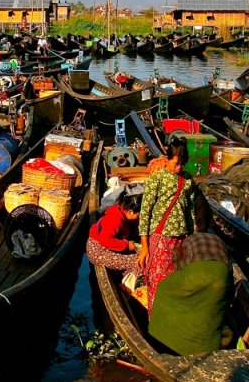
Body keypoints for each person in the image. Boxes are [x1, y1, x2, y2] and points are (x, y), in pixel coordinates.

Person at [136, 137, 198, 317]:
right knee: (157, 280)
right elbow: (145, 212)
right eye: (176, 163)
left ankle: (172, 317)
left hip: (182, 238)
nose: (178, 168)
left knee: (177, 280)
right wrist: (144, 247)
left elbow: (191, 212)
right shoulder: (157, 179)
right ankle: (155, 319)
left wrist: (192, 239)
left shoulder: (188, 180)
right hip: (161, 238)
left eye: (182, 164)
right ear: (167, 158)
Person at [148, 232, 235, 356]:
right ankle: (206, 350)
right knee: (213, 309)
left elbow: (180, 264)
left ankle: (163, 340)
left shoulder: (187, 245)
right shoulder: (218, 242)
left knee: (164, 290)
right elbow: (229, 293)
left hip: (196, 273)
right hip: (222, 274)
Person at [86, 192, 142, 273]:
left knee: (140, 254)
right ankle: (127, 280)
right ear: (130, 212)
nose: (140, 217)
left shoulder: (125, 214)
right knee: (137, 261)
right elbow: (105, 240)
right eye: (139, 214)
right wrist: (127, 245)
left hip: (110, 244)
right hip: (98, 249)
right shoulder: (115, 219)